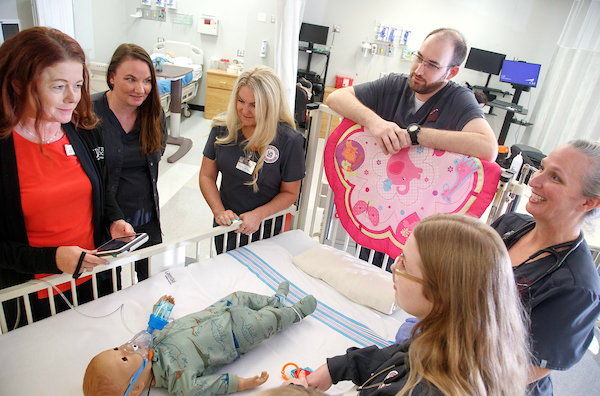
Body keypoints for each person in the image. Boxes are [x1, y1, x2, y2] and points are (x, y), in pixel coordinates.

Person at [285, 214, 531, 396]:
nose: (393, 267)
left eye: (405, 265)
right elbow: (396, 355)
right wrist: (338, 367)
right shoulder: (451, 341)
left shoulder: (422, 390)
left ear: (440, 296)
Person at [0, 27, 133, 325]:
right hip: (34, 295)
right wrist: (53, 259)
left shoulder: (82, 131)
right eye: (59, 86)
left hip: (93, 277)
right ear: (19, 85)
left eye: (77, 85)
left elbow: (99, 190)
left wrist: (114, 220)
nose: (72, 98)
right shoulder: (5, 150)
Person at [491, 139, 600, 396]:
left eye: (555, 177)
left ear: (588, 203)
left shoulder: (577, 289)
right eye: (541, 168)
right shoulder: (509, 226)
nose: (534, 182)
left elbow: (517, 373)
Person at [82, 282, 318, 396]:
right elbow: (216, 385)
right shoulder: (179, 383)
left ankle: (273, 301)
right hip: (236, 336)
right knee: (266, 323)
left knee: (240, 296)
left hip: (217, 311)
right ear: (136, 389)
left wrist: (159, 310)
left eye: (116, 348)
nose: (127, 348)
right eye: (124, 359)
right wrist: (246, 383)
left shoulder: (152, 341)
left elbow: (156, 325)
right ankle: (294, 313)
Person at [326, 28, 497, 162]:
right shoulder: (395, 84)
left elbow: (488, 148)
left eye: (432, 65)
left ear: (451, 73)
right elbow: (336, 98)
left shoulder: (458, 99)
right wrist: (375, 122)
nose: (418, 70)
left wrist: (415, 136)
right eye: (419, 58)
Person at [199, 65, 305, 253]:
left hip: (266, 230)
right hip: (227, 225)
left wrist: (259, 215)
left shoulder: (289, 141)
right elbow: (207, 176)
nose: (245, 110)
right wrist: (219, 212)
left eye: (254, 105)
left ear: (270, 105)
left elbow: (290, 194)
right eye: (241, 101)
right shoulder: (223, 127)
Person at [92, 43, 168, 282]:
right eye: (131, 79)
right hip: (105, 220)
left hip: (145, 216)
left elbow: (158, 153)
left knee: (153, 280)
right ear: (111, 77)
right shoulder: (89, 115)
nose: (140, 89)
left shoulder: (153, 115)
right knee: (105, 286)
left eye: (147, 81)